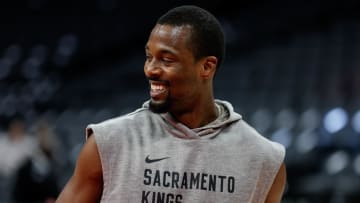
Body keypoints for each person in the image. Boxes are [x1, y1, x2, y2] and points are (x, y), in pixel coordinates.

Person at [56, 5, 287, 203]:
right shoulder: (108, 143)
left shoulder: (264, 160)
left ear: (206, 67)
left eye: (167, 60)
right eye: (149, 57)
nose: (150, 69)